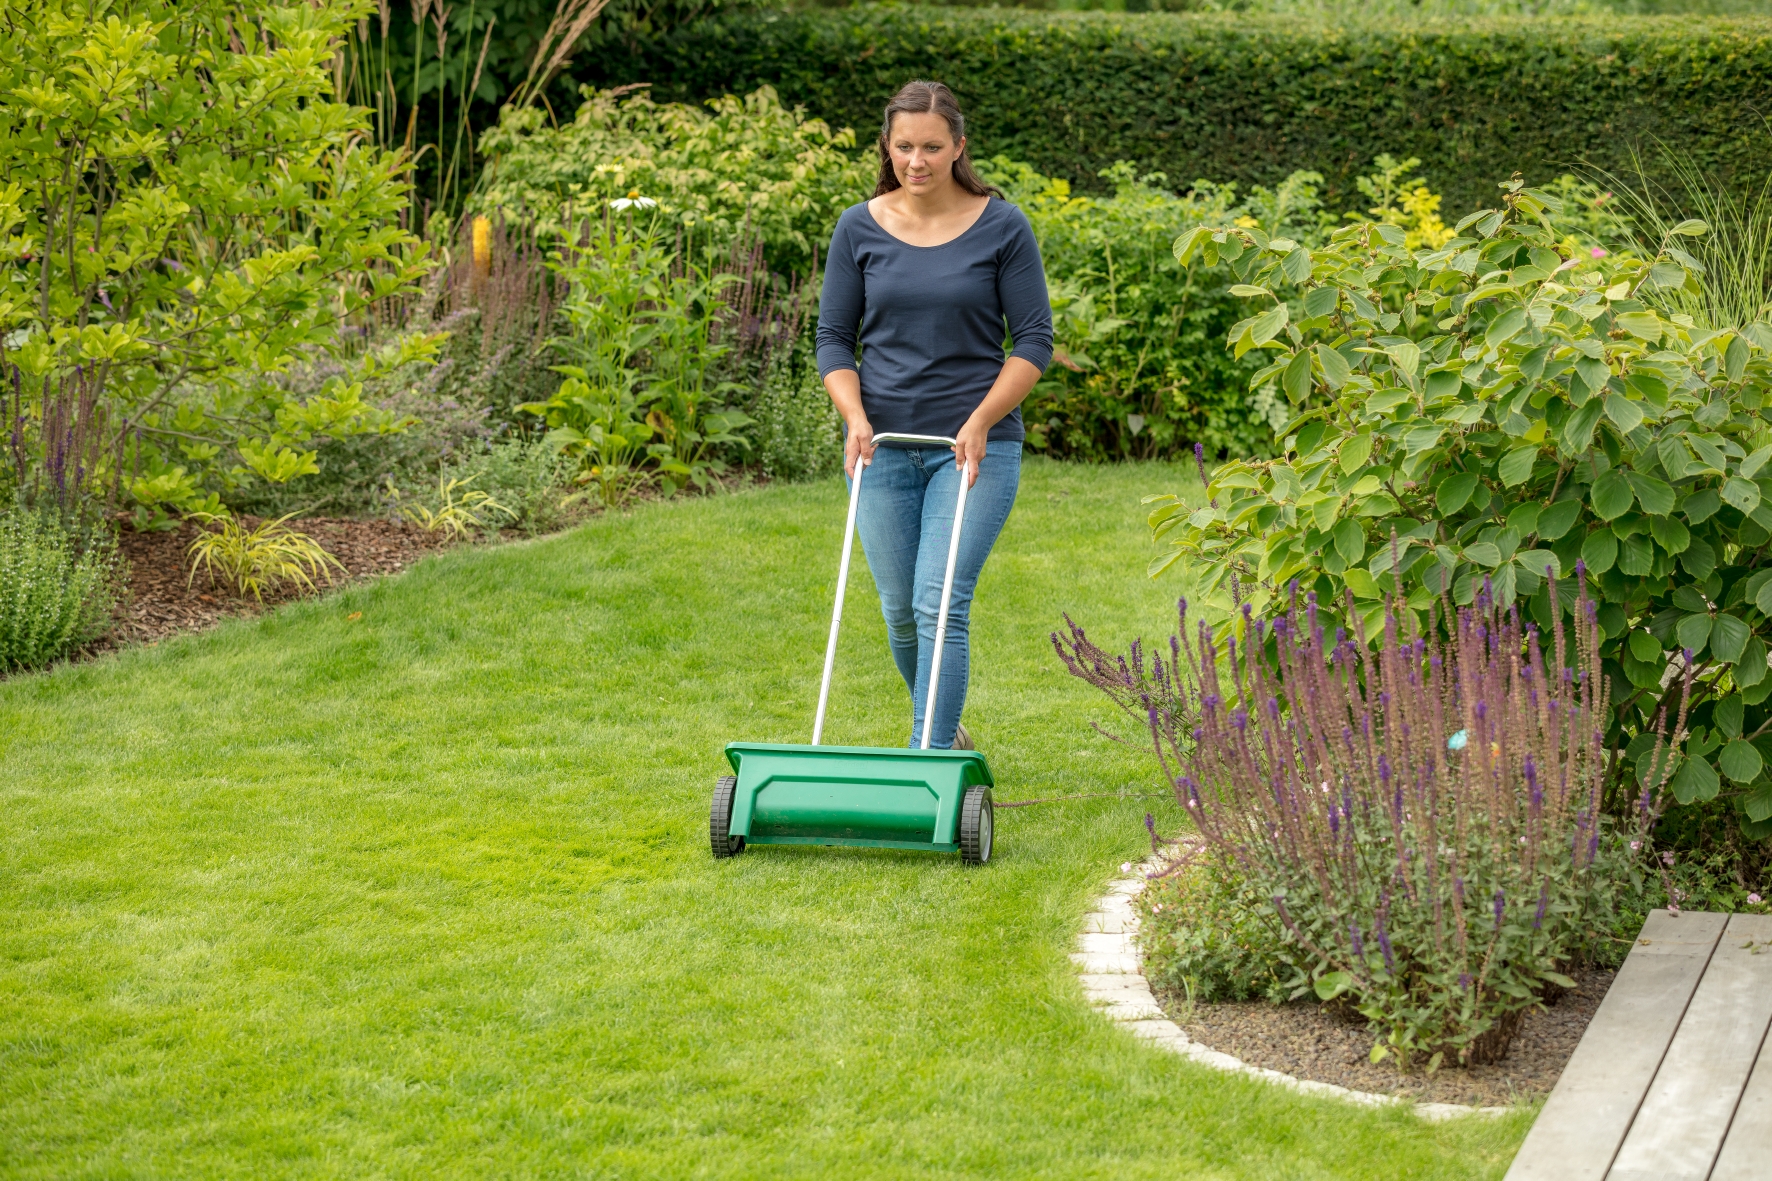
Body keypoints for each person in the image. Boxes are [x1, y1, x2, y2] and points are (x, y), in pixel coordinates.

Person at [815, 79, 1053, 751]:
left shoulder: (1002, 226)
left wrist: (980, 420)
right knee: (899, 613)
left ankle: (929, 756)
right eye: (903, 147)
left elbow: (1033, 340)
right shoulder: (858, 226)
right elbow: (833, 337)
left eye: (931, 147)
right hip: (880, 447)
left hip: (972, 450)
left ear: (959, 147)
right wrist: (854, 415)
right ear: (887, 147)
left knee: (939, 603)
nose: (915, 161)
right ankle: (944, 736)